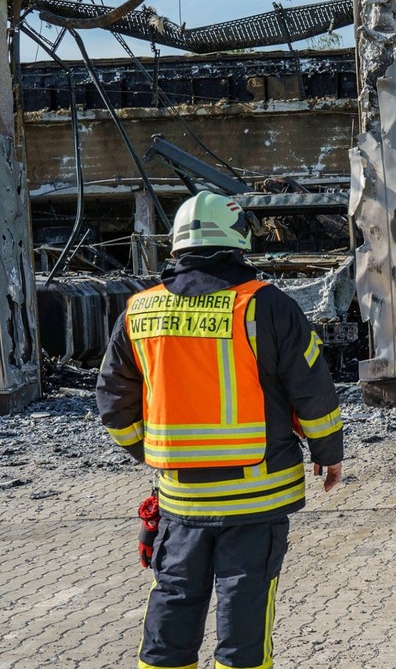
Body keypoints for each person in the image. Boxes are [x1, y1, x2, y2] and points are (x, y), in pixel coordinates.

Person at [96, 191, 344, 669]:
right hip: (258, 496)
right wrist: (327, 452)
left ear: (177, 244)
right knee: (244, 615)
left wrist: (151, 452)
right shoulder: (267, 306)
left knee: (173, 606)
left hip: (180, 500)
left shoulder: (140, 311)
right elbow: (312, 388)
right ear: (238, 241)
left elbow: (113, 399)